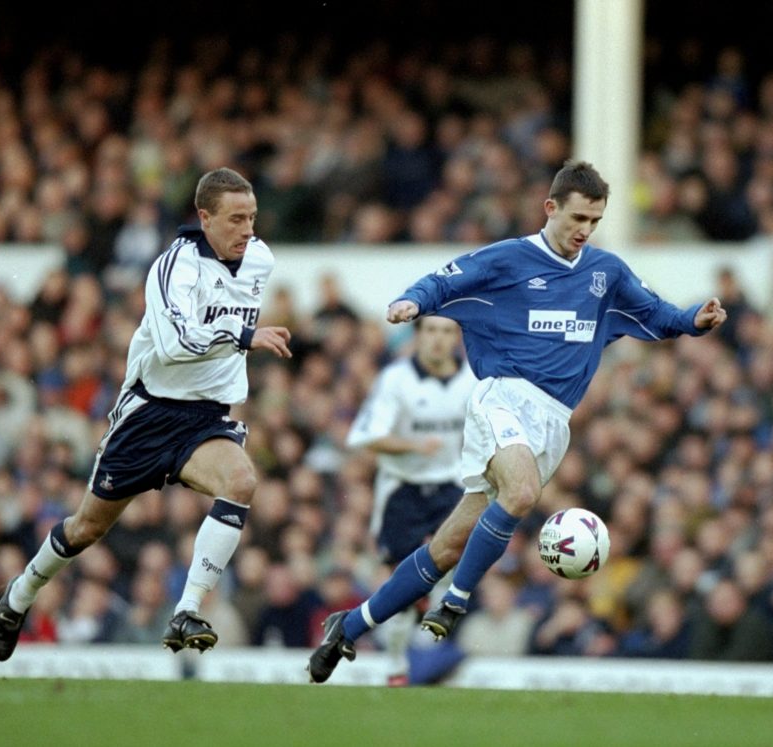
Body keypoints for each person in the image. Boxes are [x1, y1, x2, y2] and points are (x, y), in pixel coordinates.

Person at [307, 160, 726, 683]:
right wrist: (411, 301)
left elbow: (658, 313)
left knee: (447, 546)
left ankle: (347, 626)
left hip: (554, 423)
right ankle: (455, 603)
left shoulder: (605, 273)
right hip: (501, 397)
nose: (584, 230)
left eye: (594, 221)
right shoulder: (509, 259)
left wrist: (695, 320)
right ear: (550, 208)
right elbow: (446, 279)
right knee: (522, 492)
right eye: (577, 217)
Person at [0, 167, 292, 662]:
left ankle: (187, 609)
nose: (248, 230)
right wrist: (243, 337)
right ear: (205, 217)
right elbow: (173, 345)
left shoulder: (259, 260)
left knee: (241, 481)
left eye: (252, 218)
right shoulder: (174, 267)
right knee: (87, 528)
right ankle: (18, 597)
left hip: (206, 417)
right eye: (236, 219)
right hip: (148, 415)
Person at [343, 314, 476, 684]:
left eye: (447, 331)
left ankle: (428, 632)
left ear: (456, 337)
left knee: (450, 568)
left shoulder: (472, 381)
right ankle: (397, 663)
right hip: (403, 489)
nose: (438, 339)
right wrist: (413, 445)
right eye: (431, 330)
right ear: (418, 335)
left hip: (451, 485)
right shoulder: (396, 380)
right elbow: (367, 435)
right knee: (399, 584)